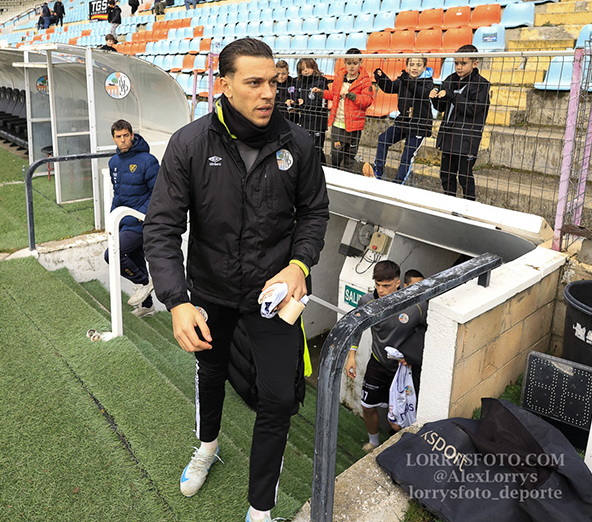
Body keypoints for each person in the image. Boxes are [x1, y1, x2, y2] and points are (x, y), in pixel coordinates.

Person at [142, 38, 329, 522]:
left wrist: (299, 264)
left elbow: (314, 214)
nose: (268, 93)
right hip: (210, 290)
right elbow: (161, 228)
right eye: (254, 83)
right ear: (224, 85)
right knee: (211, 373)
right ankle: (208, 447)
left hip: (274, 297)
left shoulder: (298, 143)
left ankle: (259, 510)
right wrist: (176, 300)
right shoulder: (189, 143)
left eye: (274, 82)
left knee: (279, 397)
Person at [345, 260, 427, 452]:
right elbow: (356, 327)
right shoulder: (367, 301)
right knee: (367, 406)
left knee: (397, 423)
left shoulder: (418, 305)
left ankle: (398, 451)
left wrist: (412, 354)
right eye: (378, 285)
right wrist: (351, 356)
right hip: (378, 362)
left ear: (398, 283)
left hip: (403, 369)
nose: (381, 290)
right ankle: (373, 443)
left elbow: (426, 331)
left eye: (386, 285)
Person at [104, 120, 160, 317]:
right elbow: (118, 194)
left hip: (140, 223)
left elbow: (157, 192)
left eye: (126, 135)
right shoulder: (114, 162)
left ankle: (144, 282)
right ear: (113, 138)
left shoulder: (148, 161)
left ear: (132, 136)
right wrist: (112, 219)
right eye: (118, 137)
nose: (123, 140)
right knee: (136, 259)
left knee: (111, 254)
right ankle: (147, 306)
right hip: (122, 221)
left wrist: (141, 216)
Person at [431, 46, 490, 201]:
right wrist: (435, 98)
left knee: (465, 177)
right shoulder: (450, 80)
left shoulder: (481, 85)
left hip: (466, 139)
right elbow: (441, 108)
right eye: (456, 63)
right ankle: (450, 204)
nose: (458, 67)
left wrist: (451, 96)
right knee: (446, 175)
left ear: (475, 63)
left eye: (463, 63)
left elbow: (473, 109)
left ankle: (468, 206)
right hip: (448, 137)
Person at [364, 57, 436, 184]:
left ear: (424, 68)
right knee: (383, 139)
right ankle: (377, 172)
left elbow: (420, 92)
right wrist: (381, 77)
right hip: (404, 121)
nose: (414, 67)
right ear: (407, 67)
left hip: (420, 125)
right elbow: (390, 87)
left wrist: (406, 79)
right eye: (411, 64)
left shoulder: (427, 82)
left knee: (407, 155)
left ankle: (398, 183)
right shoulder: (404, 78)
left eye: (418, 65)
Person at [316, 48, 373, 172]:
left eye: (355, 63)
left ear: (361, 62)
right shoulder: (339, 77)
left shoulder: (365, 81)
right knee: (336, 155)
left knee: (350, 157)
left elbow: (367, 101)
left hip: (354, 125)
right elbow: (334, 95)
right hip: (338, 123)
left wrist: (352, 96)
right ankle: (335, 175)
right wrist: (322, 93)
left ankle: (348, 177)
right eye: (349, 63)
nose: (352, 66)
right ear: (344, 62)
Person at [288, 58, 330, 164]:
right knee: (306, 147)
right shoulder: (299, 83)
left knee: (316, 149)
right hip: (304, 121)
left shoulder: (321, 82)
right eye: (302, 69)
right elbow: (298, 101)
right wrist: (294, 104)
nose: (305, 70)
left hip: (318, 122)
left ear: (314, 67)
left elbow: (321, 104)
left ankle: (322, 168)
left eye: (308, 67)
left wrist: (304, 104)